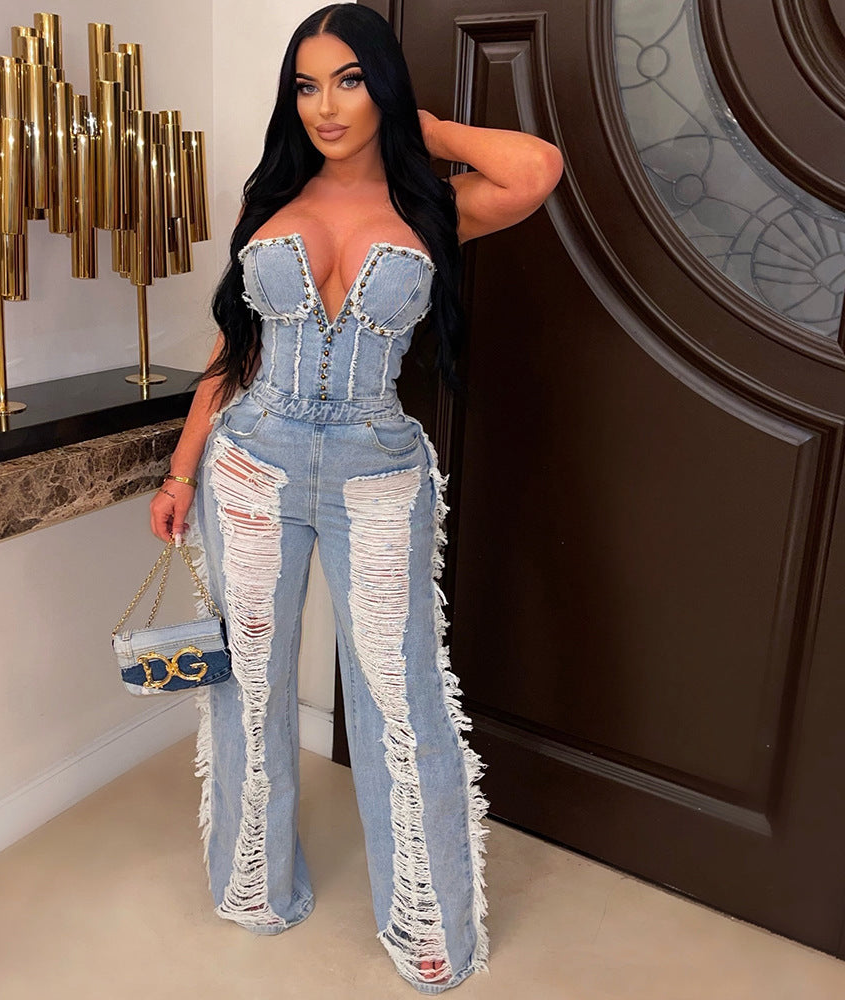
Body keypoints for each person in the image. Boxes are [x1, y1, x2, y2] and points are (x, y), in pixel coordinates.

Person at [150, 4, 562, 992]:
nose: (324, 106)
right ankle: (253, 885)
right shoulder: (272, 200)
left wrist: (423, 125)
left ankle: (427, 925)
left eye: (348, 80)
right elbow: (234, 350)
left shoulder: (436, 207)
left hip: (376, 469)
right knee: (248, 681)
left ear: (383, 86)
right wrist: (181, 467)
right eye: (306, 85)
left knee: (400, 693)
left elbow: (536, 168)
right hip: (252, 463)